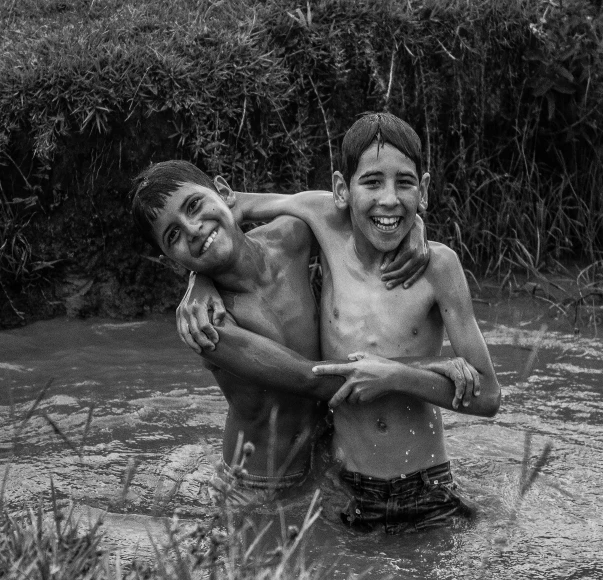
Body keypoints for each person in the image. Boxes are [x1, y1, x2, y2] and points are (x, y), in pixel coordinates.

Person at [189, 112, 501, 533]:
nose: (389, 199)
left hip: (426, 485)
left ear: (423, 190)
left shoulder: (439, 268)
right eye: (371, 182)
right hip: (344, 486)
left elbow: (487, 398)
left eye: (404, 183)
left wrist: (395, 376)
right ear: (341, 189)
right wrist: (198, 281)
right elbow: (228, 213)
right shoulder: (323, 221)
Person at [131, 160, 456, 506]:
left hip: (325, 464)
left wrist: (414, 225)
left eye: (194, 205)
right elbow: (309, 379)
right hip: (257, 489)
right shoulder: (210, 325)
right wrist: (427, 368)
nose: (193, 229)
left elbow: (359, 209)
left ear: (225, 193)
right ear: (171, 258)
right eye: (174, 236)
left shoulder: (291, 238)